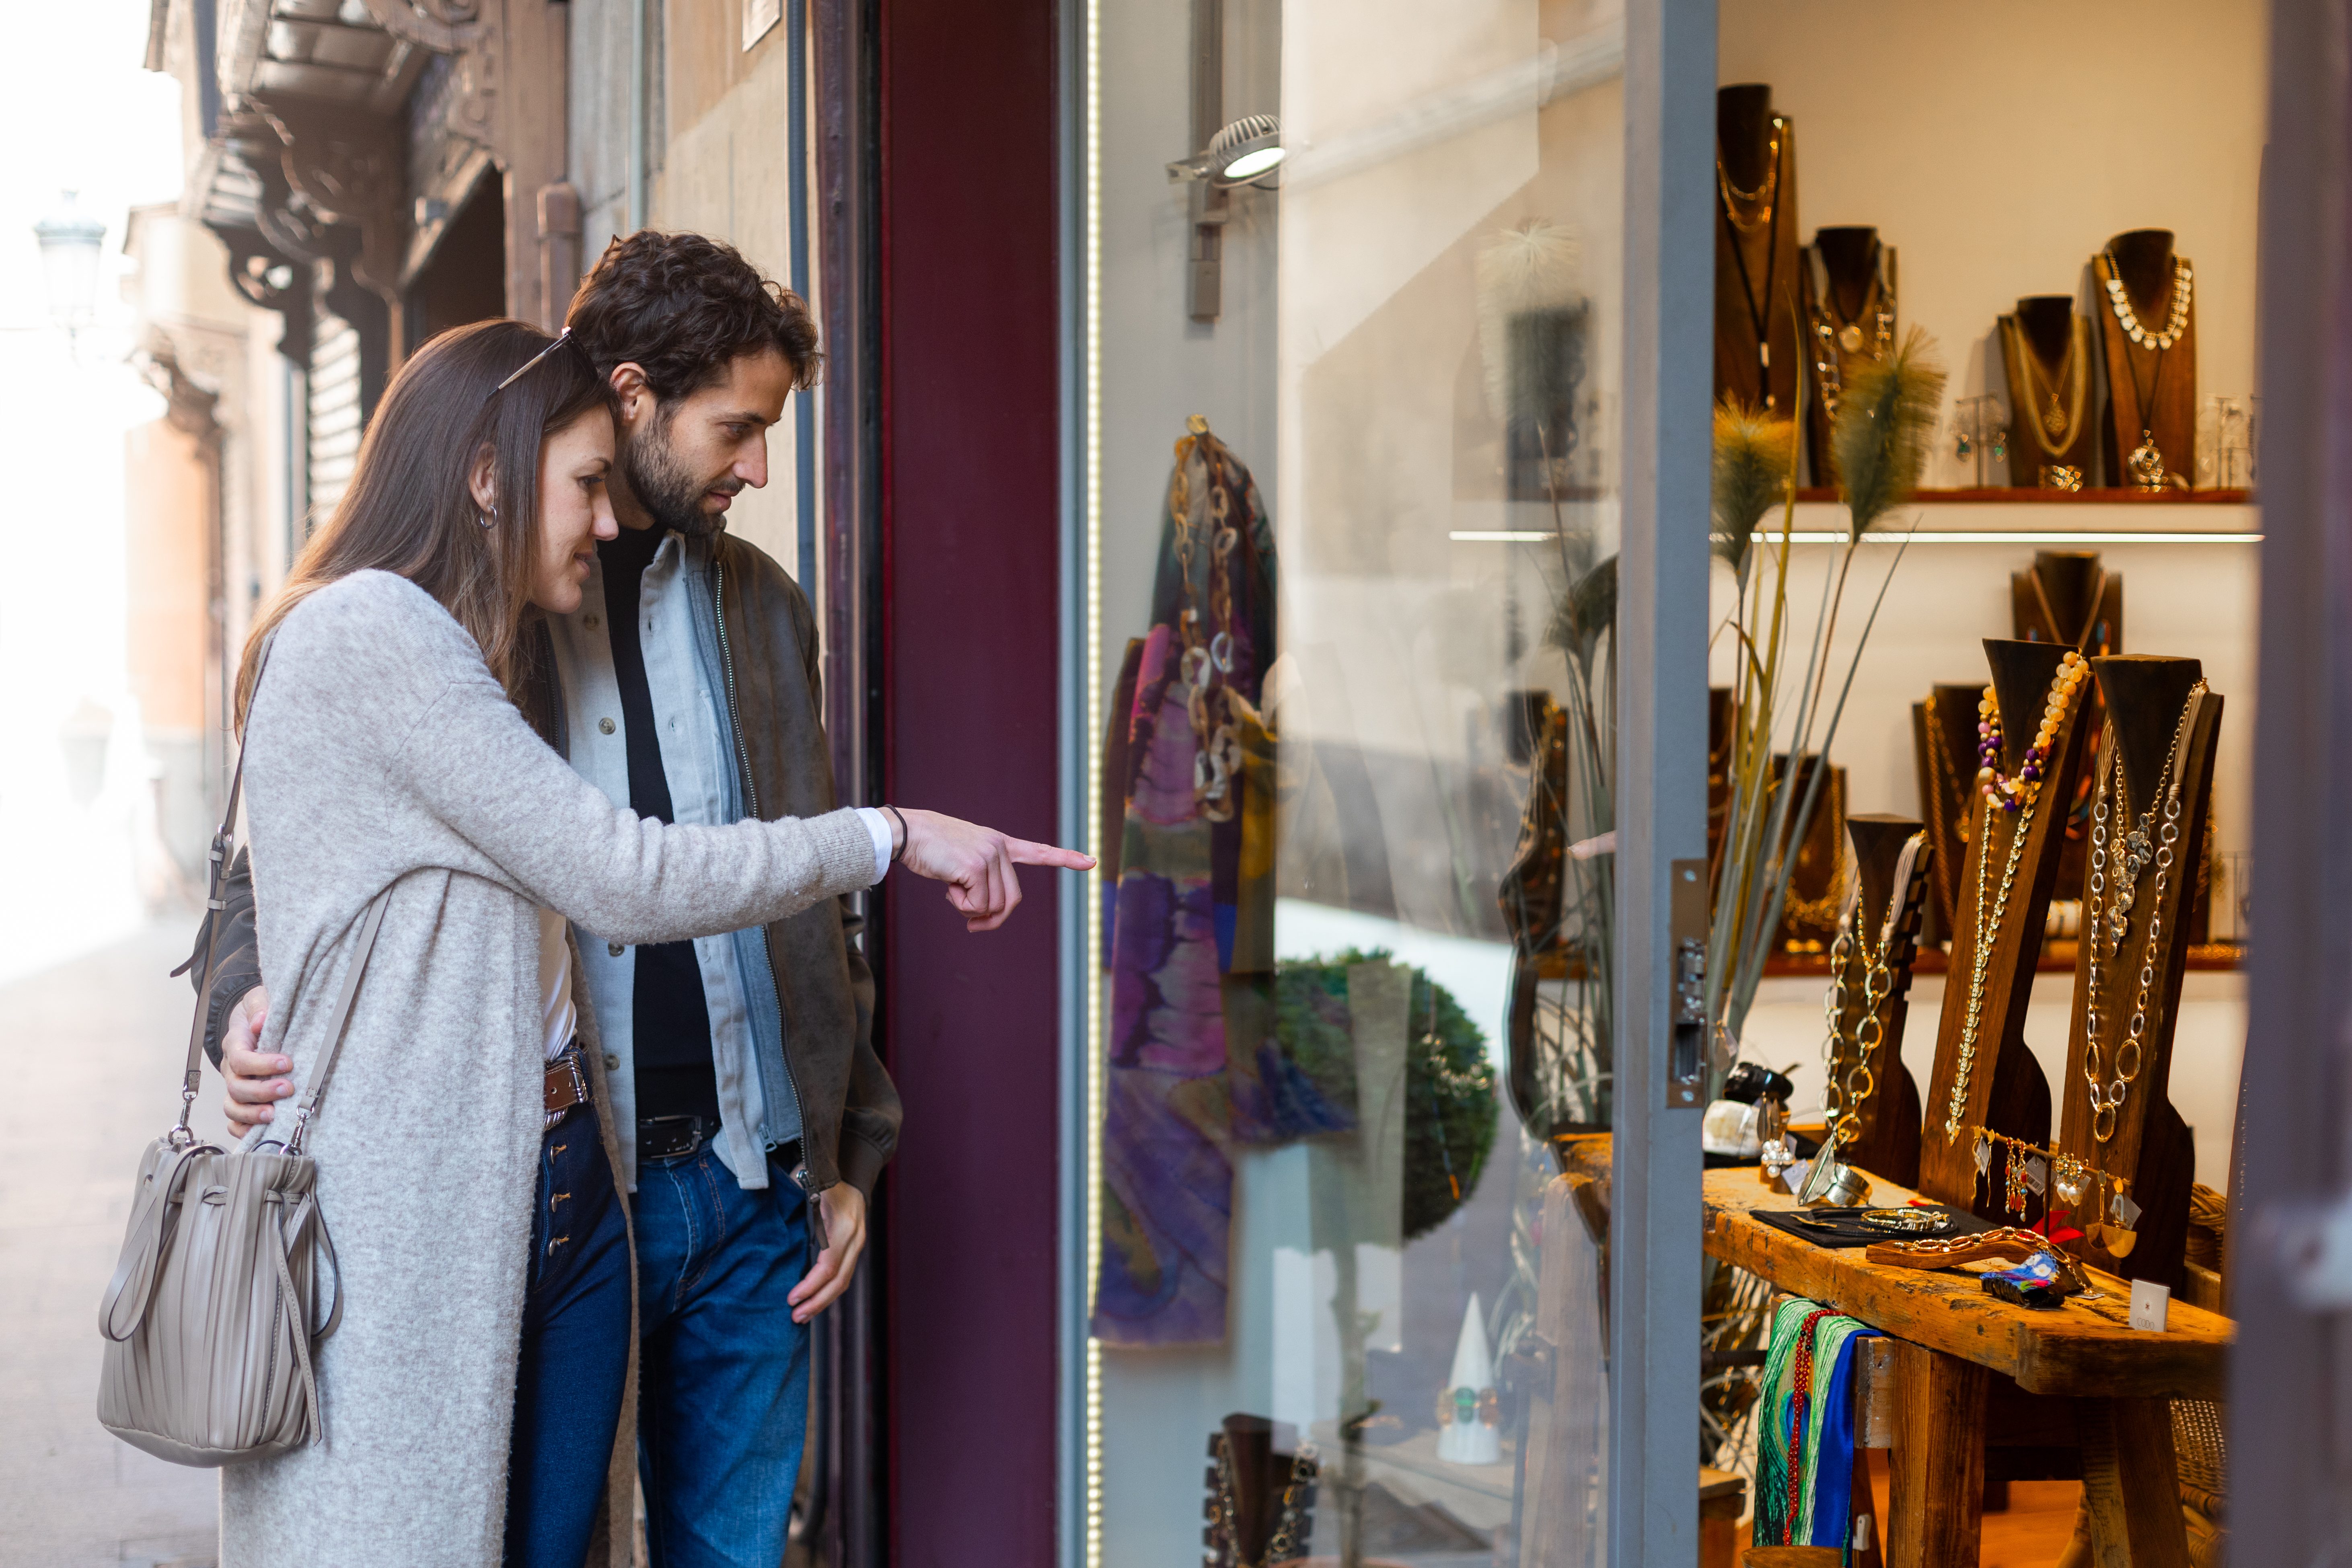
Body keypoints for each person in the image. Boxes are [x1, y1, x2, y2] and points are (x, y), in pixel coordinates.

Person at [204, 317, 1085, 1566]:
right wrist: (891, 833)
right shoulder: (383, 636)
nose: (605, 520)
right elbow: (623, 874)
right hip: (445, 1194)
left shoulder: (477, 635)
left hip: (572, 1181)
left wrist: (840, 1134)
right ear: (487, 476)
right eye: (583, 484)